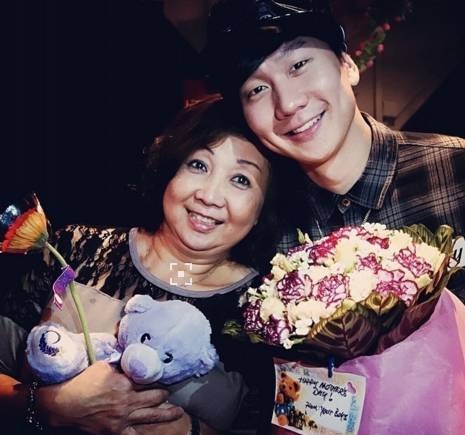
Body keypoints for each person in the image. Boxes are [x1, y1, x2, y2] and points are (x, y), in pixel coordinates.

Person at [0, 97, 279, 435]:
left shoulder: (267, 311)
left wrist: (191, 431)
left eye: (241, 180)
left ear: (262, 207)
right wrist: (49, 406)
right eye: (198, 165)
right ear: (170, 169)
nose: (209, 195)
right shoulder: (75, 249)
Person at [205, 0, 465, 301]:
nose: (288, 103)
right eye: (257, 90)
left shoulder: (455, 173)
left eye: (298, 65)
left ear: (348, 65)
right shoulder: (260, 226)